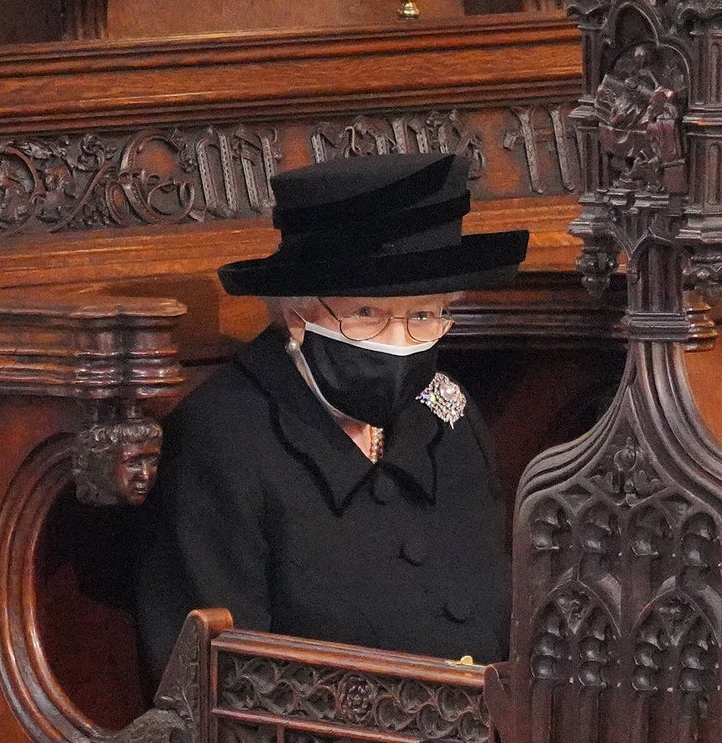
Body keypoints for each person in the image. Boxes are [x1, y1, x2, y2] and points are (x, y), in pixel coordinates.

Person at [135, 152, 529, 673]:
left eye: (424, 315)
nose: (399, 344)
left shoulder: (450, 417)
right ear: (297, 314)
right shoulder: (223, 439)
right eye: (367, 314)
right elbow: (211, 682)